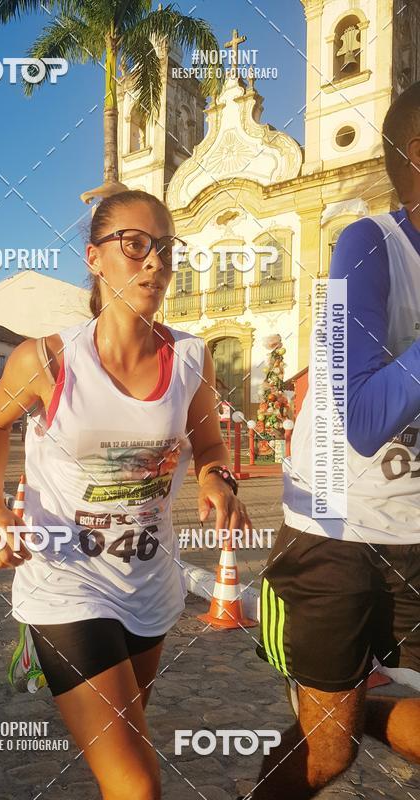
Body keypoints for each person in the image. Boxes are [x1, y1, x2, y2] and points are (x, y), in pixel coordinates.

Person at [0, 188, 252, 800]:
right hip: (65, 583)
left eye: (166, 249)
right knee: (138, 784)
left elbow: (208, 443)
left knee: (126, 752)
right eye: (135, 245)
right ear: (95, 257)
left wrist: (215, 478)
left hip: (150, 585)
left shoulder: (190, 357)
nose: (155, 262)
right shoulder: (48, 359)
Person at [251, 82, 420, 799]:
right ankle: (339, 726)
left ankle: (359, 713)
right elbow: (365, 417)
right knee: (326, 758)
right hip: (337, 536)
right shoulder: (369, 244)